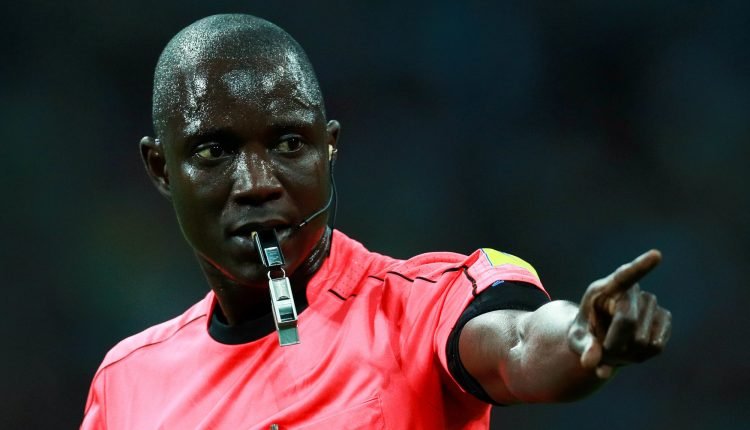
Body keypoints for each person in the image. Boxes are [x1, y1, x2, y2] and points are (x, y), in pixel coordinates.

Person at [81, 14, 671, 429]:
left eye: (289, 143)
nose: (257, 182)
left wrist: (583, 339)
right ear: (161, 168)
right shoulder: (126, 383)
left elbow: (520, 341)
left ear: (329, 147)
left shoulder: (420, 310)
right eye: (215, 151)